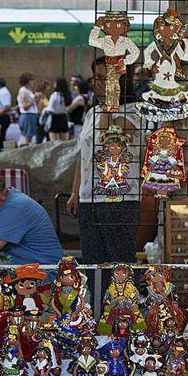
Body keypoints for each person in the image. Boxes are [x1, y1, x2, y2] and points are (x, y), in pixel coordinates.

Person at [66, 56, 140, 265]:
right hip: (88, 198)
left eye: (104, 78)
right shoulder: (91, 113)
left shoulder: (134, 112)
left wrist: (110, 101)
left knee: (119, 260)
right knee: (93, 259)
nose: (98, 83)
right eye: (96, 78)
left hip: (120, 198)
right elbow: (84, 154)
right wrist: (75, 192)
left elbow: (110, 134)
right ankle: (96, 298)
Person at [45, 77, 72, 141]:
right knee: (64, 142)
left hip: (55, 118)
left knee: (54, 142)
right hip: (64, 118)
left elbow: (50, 110)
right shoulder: (67, 95)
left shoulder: (54, 95)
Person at [15, 73, 38, 146]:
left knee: (29, 137)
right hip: (28, 115)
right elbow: (25, 106)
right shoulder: (23, 91)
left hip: (31, 115)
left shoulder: (28, 91)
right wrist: (34, 99)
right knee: (27, 137)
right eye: (31, 80)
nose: (33, 82)